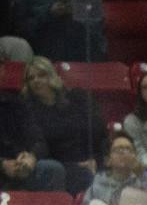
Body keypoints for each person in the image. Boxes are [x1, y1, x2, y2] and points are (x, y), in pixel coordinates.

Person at [19, 53, 96, 193]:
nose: (36, 80)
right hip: (56, 165)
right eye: (31, 78)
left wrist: (94, 159)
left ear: (52, 76)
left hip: (83, 160)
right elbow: (41, 145)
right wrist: (76, 166)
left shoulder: (74, 99)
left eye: (41, 75)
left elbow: (93, 131)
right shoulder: (28, 109)